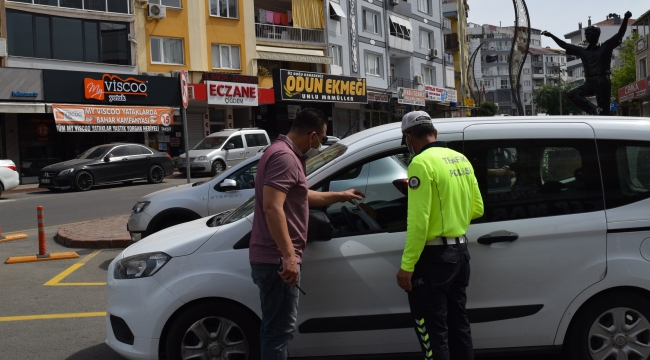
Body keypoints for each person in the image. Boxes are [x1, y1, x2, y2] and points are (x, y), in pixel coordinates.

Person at [249, 108, 365, 360]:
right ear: (312, 136)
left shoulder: (281, 152)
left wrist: (340, 196)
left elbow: (300, 196)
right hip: (276, 262)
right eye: (322, 140)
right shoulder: (285, 158)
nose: (320, 145)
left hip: (272, 259)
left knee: (274, 329)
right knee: (278, 332)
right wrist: (289, 256)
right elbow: (272, 206)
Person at [396, 111, 484, 360]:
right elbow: (477, 209)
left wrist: (407, 265)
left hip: (434, 258)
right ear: (434, 132)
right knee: (459, 326)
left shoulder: (420, 164)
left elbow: (418, 222)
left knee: (434, 333)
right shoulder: (460, 159)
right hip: (460, 255)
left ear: (409, 137)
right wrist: (452, 219)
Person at [541, 11, 632, 115]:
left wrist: (625, 18)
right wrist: (552, 36)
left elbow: (620, 34)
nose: (586, 36)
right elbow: (565, 45)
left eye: (588, 34)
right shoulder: (583, 51)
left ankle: (603, 121)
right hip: (589, 83)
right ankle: (593, 109)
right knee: (572, 94)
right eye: (586, 34)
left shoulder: (605, 47)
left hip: (602, 82)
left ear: (595, 35)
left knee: (604, 112)